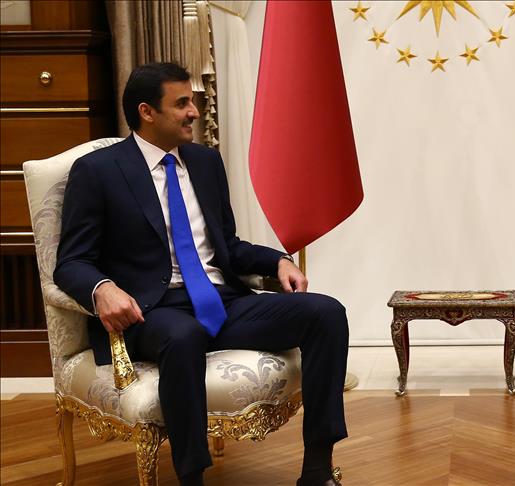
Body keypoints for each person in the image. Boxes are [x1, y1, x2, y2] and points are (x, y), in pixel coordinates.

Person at [54, 62, 347, 486]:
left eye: (192, 101)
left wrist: (277, 261)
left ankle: (318, 470)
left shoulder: (206, 163)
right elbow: (71, 261)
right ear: (147, 112)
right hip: (150, 311)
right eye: (182, 103)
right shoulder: (98, 171)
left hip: (220, 302)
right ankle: (192, 478)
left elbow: (228, 246)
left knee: (326, 313)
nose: (194, 111)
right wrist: (102, 288)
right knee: (184, 335)